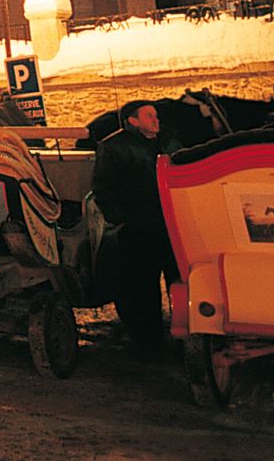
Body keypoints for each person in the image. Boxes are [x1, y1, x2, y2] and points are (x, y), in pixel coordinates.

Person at [92, 99, 180, 355]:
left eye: (156, 116)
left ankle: (186, 337)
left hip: (172, 225)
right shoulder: (113, 147)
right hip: (139, 229)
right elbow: (103, 188)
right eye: (149, 115)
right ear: (133, 120)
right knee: (143, 288)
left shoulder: (169, 144)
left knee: (180, 281)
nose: (156, 120)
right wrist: (122, 219)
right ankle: (150, 343)